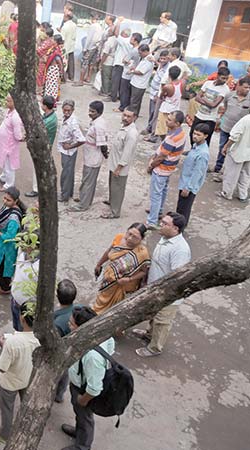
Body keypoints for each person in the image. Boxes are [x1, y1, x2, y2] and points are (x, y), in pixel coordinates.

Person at [133, 212, 190, 357]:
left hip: (168, 294)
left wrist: (165, 295)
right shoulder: (165, 238)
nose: (161, 225)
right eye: (162, 222)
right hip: (155, 287)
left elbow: (178, 277)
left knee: (162, 321)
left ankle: (154, 348)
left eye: (165, 224)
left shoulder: (180, 250)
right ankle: (149, 334)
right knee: (153, 314)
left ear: (175, 229)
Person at [61, 306, 114, 450]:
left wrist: (83, 399)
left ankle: (82, 446)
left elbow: (95, 388)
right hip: (79, 383)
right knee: (81, 416)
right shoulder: (101, 334)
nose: (68, 325)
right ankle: (79, 432)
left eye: (72, 324)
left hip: (84, 391)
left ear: (81, 328)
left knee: (85, 417)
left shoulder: (92, 356)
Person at [0, 301, 39, 444]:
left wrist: (4, 345)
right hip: (29, 378)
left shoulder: (12, 342)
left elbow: (2, 368)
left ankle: (4, 434)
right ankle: (25, 427)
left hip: (10, 382)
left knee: (7, 408)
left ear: (22, 318)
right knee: (26, 404)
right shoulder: (42, 338)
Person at [92, 223, 150, 314]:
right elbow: (108, 252)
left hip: (124, 286)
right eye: (129, 234)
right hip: (109, 279)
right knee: (100, 303)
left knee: (116, 311)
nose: (130, 238)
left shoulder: (142, 253)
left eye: (135, 237)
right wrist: (99, 264)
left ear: (141, 239)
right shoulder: (119, 238)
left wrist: (128, 279)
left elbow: (143, 272)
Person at [146, 111, 186, 228]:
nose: (166, 121)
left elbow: (161, 157)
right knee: (162, 191)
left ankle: (152, 221)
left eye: (169, 120)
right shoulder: (181, 134)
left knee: (156, 195)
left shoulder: (172, 138)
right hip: (169, 169)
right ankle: (158, 212)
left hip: (161, 169)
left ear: (177, 123)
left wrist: (151, 165)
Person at [70, 101, 108, 212]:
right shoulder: (95, 122)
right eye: (89, 110)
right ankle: (84, 199)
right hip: (89, 156)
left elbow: (102, 144)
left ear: (99, 112)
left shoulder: (99, 125)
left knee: (88, 181)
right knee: (87, 179)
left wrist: (105, 154)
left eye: (93, 111)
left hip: (93, 158)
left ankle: (83, 204)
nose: (89, 113)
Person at [101, 108, 139, 219]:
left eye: (129, 116)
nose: (125, 118)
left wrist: (119, 168)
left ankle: (115, 212)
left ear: (134, 118)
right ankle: (112, 201)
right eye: (124, 115)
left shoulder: (132, 133)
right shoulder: (124, 127)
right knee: (113, 185)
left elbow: (126, 154)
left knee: (118, 188)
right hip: (114, 163)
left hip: (119, 166)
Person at [0, 185, 24, 297]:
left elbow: (10, 236)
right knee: (0, 263)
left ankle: (4, 288)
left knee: (4, 266)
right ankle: (0, 278)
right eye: (4, 198)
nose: (5, 201)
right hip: (2, 243)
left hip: (7, 247)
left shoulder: (13, 218)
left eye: (8, 200)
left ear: (16, 201)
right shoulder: (7, 207)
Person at [213, 78, 250, 173]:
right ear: (239, 86)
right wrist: (219, 120)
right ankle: (218, 168)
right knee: (222, 147)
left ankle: (228, 171)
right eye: (245, 87)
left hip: (240, 132)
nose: (247, 89)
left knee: (234, 151)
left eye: (249, 87)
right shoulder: (229, 95)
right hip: (226, 127)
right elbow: (225, 109)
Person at [176, 123, 211, 224]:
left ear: (205, 136)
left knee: (183, 210)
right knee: (180, 207)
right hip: (184, 182)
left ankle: (179, 229)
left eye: (198, 135)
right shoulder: (196, 146)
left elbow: (198, 173)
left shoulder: (203, 153)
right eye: (194, 133)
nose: (195, 136)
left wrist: (188, 188)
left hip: (188, 186)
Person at [218, 110, 250, 203]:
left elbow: (234, 136)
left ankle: (227, 193)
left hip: (238, 151)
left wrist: (225, 146)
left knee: (231, 173)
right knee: (246, 174)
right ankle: (243, 195)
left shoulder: (246, 119)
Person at [192, 67, 230, 146]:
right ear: (217, 75)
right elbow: (197, 98)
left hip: (210, 118)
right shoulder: (208, 83)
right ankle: (193, 150)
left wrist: (203, 98)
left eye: (226, 79)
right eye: (223, 78)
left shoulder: (225, 89)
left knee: (206, 139)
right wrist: (207, 101)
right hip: (200, 114)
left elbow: (214, 105)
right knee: (192, 134)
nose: (224, 81)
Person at [57, 100, 85, 203]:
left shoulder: (73, 123)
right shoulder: (67, 118)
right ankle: (69, 193)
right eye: (64, 110)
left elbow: (82, 140)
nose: (66, 112)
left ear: (73, 110)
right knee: (69, 173)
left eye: (68, 110)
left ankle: (64, 196)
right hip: (67, 151)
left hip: (68, 152)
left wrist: (70, 146)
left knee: (66, 174)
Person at [152, 66, 182, 141]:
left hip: (166, 108)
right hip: (175, 107)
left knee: (162, 127)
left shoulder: (168, 86)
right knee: (171, 127)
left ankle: (164, 142)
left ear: (169, 75)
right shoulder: (182, 83)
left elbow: (161, 96)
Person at [36, 28, 63, 99]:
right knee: (49, 83)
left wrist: (61, 72)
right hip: (51, 67)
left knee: (51, 84)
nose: (52, 41)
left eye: (54, 40)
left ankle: (51, 98)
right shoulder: (54, 47)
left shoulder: (56, 49)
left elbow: (59, 60)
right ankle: (47, 96)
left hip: (53, 69)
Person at [127, 44, 153, 114]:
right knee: (135, 101)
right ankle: (134, 115)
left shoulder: (149, 60)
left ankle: (132, 115)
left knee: (134, 102)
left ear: (145, 52)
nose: (139, 55)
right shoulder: (144, 58)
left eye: (140, 53)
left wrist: (132, 71)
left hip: (139, 84)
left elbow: (141, 72)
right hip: (136, 82)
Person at [59, 5, 76, 81]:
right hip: (71, 44)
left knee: (64, 61)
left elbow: (62, 38)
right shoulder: (74, 25)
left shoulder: (65, 27)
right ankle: (71, 76)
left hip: (65, 45)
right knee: (71, 60)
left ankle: (63, 76)